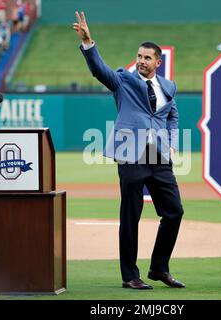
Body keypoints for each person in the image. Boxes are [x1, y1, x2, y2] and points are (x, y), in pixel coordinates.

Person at [73, 11, 185, 290]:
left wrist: (172, 142)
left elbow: (172, 115)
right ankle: (130, 276)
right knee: (130, 216)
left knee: (174, 212)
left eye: (147, 58)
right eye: (139, 56)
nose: (141, 61)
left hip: (159, 157)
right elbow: (101, 71)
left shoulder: (168, 86)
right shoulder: (123, 80)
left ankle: (159, 268)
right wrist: (89, 44)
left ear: (158, 62)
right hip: (131, 156)